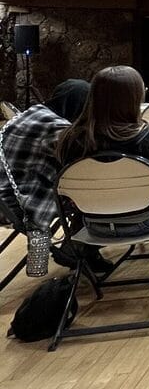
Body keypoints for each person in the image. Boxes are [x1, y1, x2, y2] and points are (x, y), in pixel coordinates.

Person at [57, 66, 149, 287]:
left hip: (92, 225)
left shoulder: (70, 139)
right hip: (147, 223)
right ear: (135, 97)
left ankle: (86, 259)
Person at [0, 79, 113, 275]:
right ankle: (78, 246)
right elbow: (86, 163)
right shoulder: (57, 128)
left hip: (5, 198)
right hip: (19, 204)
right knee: (98, 190)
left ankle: (83, 250)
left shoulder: (31, 114)